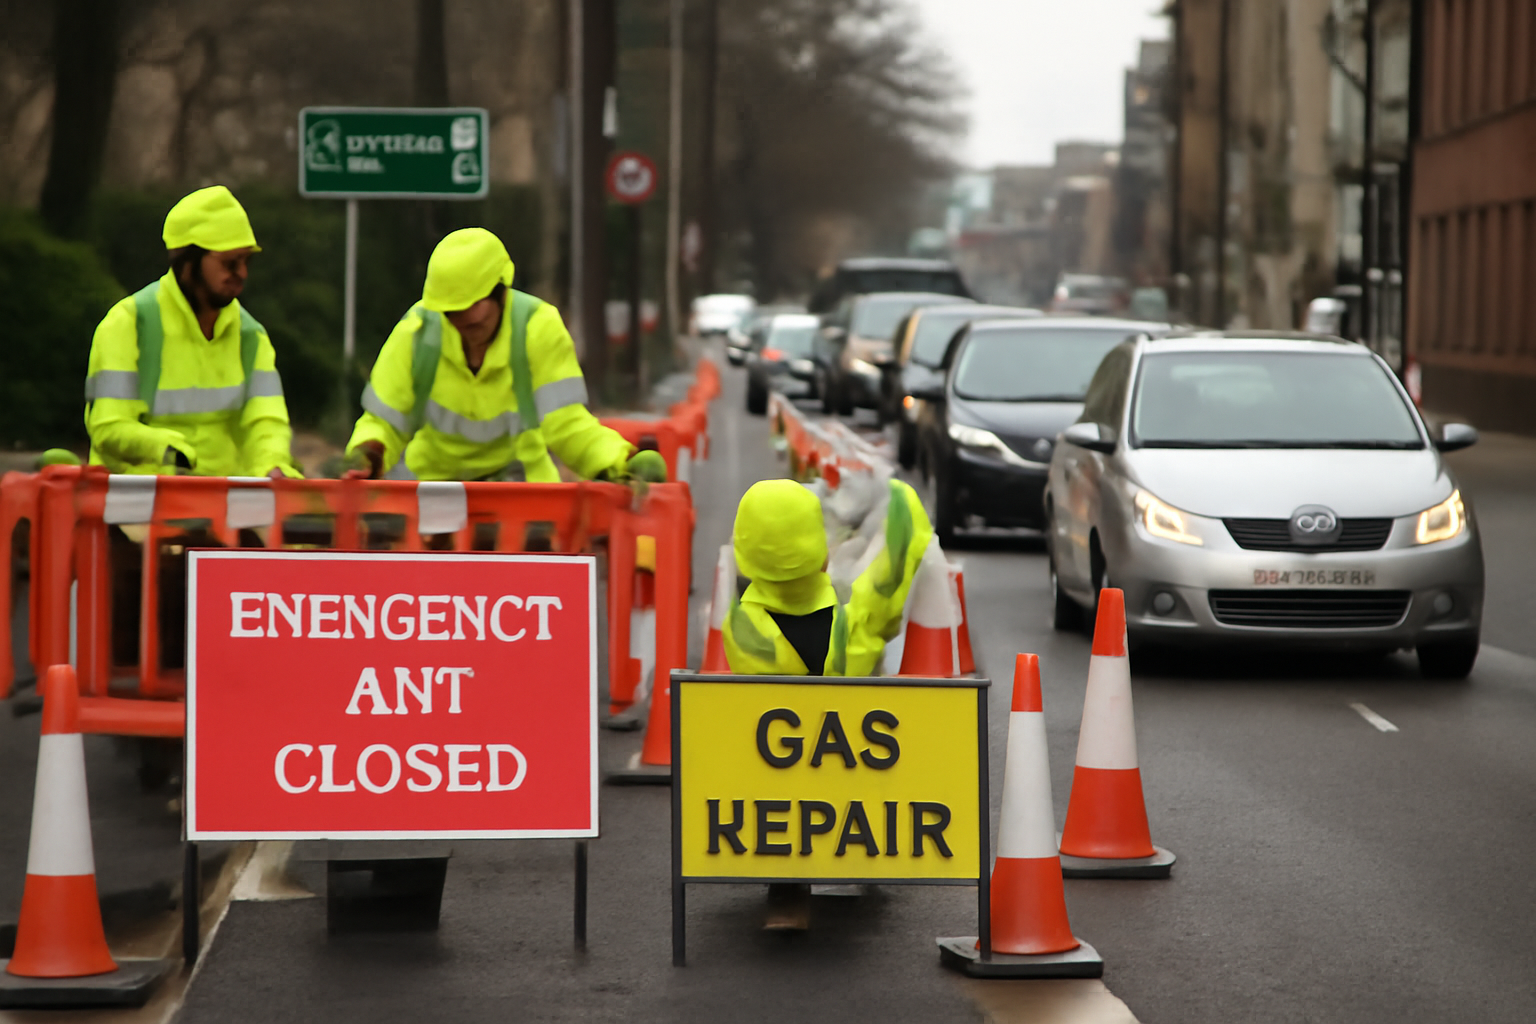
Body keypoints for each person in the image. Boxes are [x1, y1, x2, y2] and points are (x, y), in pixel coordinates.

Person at [722, 475, 935, 929]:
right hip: (851, 789)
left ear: (744, 554)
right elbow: (894, 568)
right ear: (820, 551)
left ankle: (786, 887)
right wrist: (899, 493)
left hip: (773, 806)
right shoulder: (855, 627)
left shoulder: (740, 633)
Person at [344, 227, 665, 484]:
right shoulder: (416, 334)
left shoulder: (537, 329)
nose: (464, 319)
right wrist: (366, 455)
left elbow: (568, 426)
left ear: (501, 291)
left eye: (473, 306)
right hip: (435, 490)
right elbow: (383, 423)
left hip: (522, 493)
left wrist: (622, 463)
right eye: (452, 312)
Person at [84, 185, 299, 479]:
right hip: (139, 499)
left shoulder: (251, 336)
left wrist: (273, 466)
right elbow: (108, 428)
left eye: (247, 261)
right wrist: (167, 451)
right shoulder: (128, 324)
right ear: (187, 261)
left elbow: (266, 423)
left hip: (221, 502)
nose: (242, 274)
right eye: (230, 263)